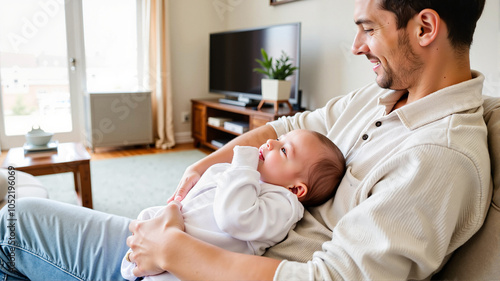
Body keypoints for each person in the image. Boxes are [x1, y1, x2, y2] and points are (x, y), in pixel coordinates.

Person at [0, 0, 490, 280]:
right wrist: (200, 168)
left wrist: (171, 250)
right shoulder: (377, 98)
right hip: (195, 240)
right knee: (15, 217)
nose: (358, 45)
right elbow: (286, 126)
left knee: (10, 238)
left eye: (369, 29)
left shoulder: (436, 158)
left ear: (425, 27)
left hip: (194, 265)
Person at [121, 129, 345, 280]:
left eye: (284, 150)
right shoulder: (256, 179)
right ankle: (136, 262)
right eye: (280, 138)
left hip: (183, 269)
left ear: (296, 189)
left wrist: (244, 165)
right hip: (161, 244)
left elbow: (234, 218)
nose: (271, 142)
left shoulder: (283, 204)